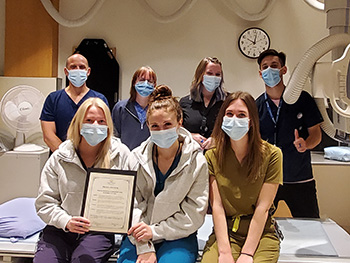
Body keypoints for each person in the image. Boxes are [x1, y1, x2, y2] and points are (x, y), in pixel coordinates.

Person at [117, 85, 209, 263]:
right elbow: (130, 205)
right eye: (155, 126)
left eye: (167, 124)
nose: (161, 130)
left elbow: (194, 213)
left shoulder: (196, 162)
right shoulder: (136, 158)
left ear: (179, 122)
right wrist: (144, 244)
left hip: (178, 235)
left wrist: (156, 231)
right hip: (138, 233)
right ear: (148, 127)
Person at [34, 97, 130, 263]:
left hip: (98, 230)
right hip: (60, 228)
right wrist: (66, 221)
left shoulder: (120, 154)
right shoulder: (60, 157)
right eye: (89, 120)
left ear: (108, 126)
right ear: (78, 124)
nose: (95, 126)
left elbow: (132, 197)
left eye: (101, 121)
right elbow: (44, 203)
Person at [201, 91, 283, 263]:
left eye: (241, 115)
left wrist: (247, 254)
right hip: (226, 233)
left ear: (251, 121)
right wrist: (224, 252)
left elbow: (263, 208)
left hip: (260, 234)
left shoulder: (272, 155)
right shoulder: (212, 156)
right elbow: (217, 206)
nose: (234, 119)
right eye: (229, 114)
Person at [256, 49, 323, 218]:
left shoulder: (302, 99)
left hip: (299, 178)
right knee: (260, 226)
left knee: (311, 226)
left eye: (274, 65)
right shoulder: (257, 105)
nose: (269, 70)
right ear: (260, 73)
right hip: (268, 178)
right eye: (265, 67)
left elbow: (316, 133)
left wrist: (306, 144)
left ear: (283, 70)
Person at [40, 53, 109, 152]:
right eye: (73, 67)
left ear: (88, 71)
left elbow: (104, 131)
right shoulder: (53, 99)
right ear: (66, 71)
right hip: (60, 158)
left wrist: (86, 158)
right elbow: (48, 136)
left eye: (81, 67)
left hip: (92, 158)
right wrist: (67, 155)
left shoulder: (99, 99)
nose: (78, 70)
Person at [180, 57, 227, 150]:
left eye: (217, 74)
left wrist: (218, 140)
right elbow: (176, 129)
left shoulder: (227, 102)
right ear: (200, 75)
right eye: (209, 73)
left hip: (218, 155)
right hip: (191, 155)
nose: (214, 77)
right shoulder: (184, 102)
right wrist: (191, 136)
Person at [112, 66, 157, 150]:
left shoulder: (157, 110)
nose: (146, 84)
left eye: (150, 81)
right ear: (134, 83)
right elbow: (114, 138)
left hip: (150, 158)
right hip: (126, 158)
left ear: (154, 85)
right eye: (142, 80)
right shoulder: (121, 108)